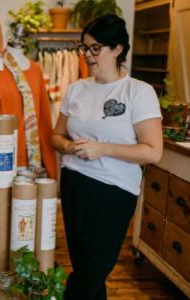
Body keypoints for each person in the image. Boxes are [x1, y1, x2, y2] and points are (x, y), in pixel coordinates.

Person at [51, 14, 163, 300]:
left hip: (113, 191)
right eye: (84, 47)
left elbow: (153, 151)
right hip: (74, 184)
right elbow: (56, 136)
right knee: (88, 271)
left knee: (90, 272)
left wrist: (103, 149)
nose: (87, 55)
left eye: (95, 48)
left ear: (117, 49)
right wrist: (67, 146)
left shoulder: (139, 92)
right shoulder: (76, 88)